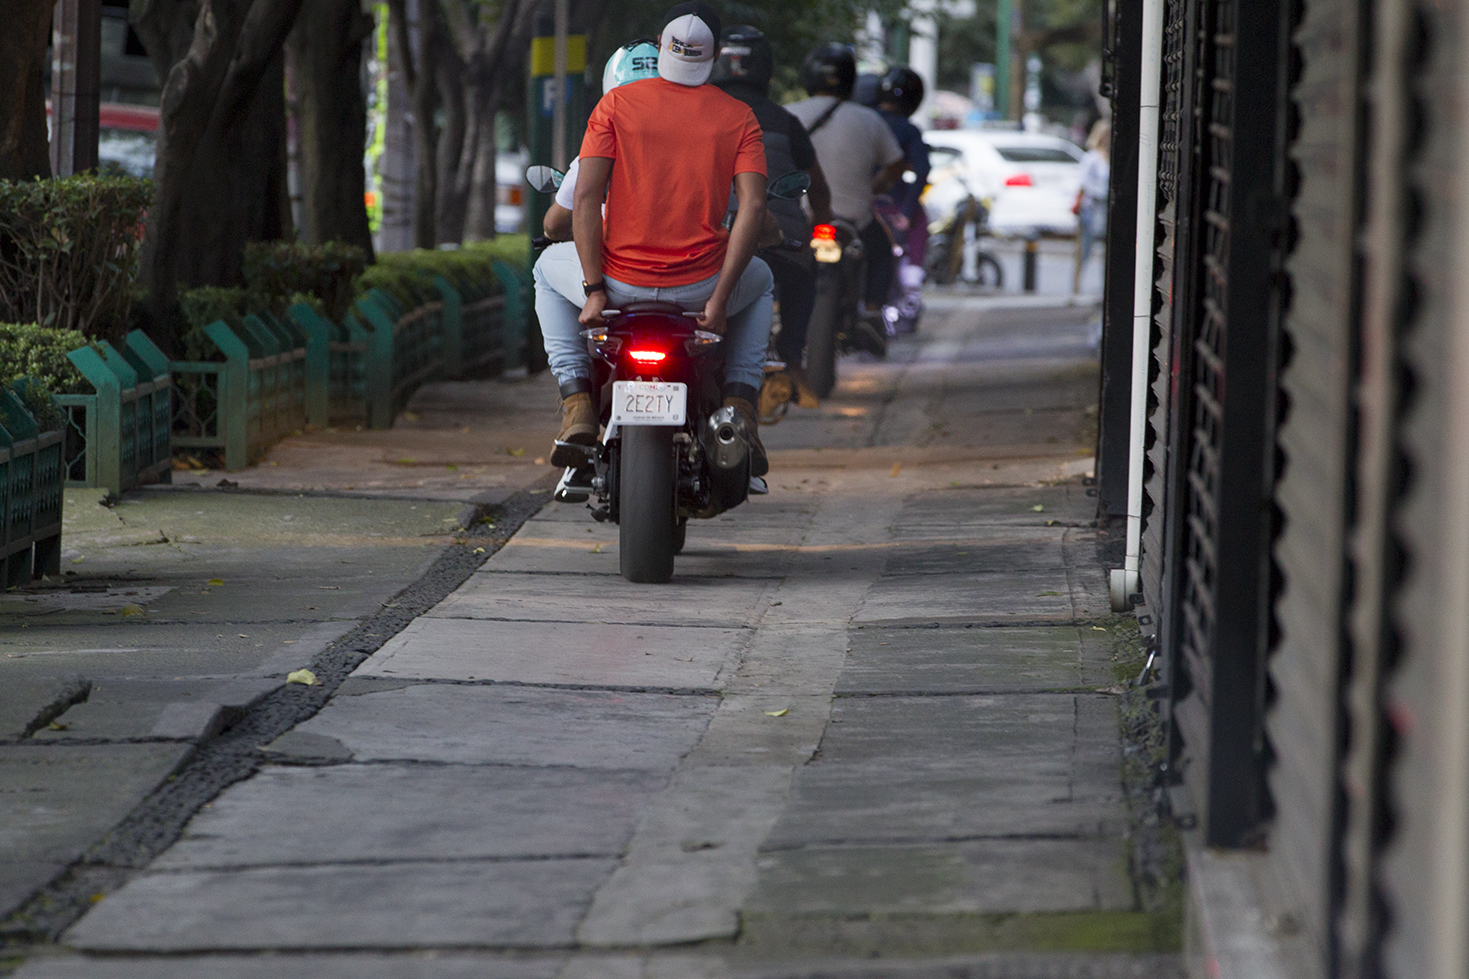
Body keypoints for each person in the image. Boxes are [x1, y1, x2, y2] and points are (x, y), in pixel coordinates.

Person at [532, 2, 775, 475]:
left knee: (544, 270)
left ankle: (577, 402)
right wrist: (719, 301)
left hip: (619, 286)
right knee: (762, 278)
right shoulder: (738, 116)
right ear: (715, 56)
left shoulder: (615, 105)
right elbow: (753, 208)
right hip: (701, 290)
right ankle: (741, 406)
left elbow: (585, 199)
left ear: (662, 45)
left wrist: (594, 290)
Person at [710, 24, 832, 409]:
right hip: (777, 240)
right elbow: (818, 188)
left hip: (707, 242)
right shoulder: (785, 121)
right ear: (768, 73)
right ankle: (793, 357)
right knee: (804, 270)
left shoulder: (696, 114)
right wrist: (822, 224)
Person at [785, 43, 905, 347]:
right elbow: (896, 165)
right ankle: (873, 313)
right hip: (855, 220)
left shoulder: (788, 114)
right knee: (883, 253)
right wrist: (874, 187)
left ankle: (776, 310)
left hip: (801, 218)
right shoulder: (869, 119)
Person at [870, 66, 930, 334]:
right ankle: (911, 288)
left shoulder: (865, 121)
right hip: (894, 206)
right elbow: (922, 171)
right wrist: (907, 212)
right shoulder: (908, 130)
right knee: (919, 226)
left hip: (861, 203)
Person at [1073, 119, 1110, 294]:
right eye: (1105, 135)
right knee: (1084, 250)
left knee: (1107, 251)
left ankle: (1105, 288)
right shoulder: (1092, 157)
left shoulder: (1111, 156)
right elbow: (1084, 183)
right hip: (1091, 207)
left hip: (1106, 208)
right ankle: (1076, 288)